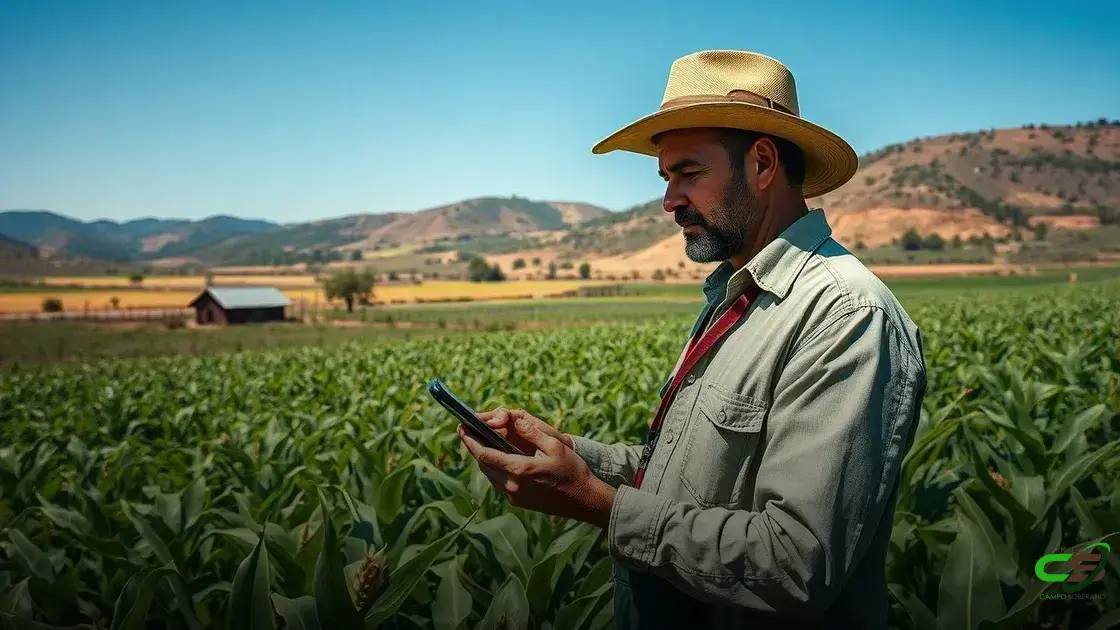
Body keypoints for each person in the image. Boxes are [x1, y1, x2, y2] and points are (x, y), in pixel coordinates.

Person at [456, 49, 927, 629]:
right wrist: (574, 457)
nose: (669, 200)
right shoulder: (737, 296)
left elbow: (796, 562)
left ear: (761, 163)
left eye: (689, 173)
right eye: (666, 177)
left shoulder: (844, 315)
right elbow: (692, 481)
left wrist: (593, 502)